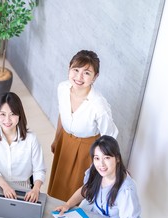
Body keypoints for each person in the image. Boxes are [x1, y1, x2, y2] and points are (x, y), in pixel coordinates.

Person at [48, 50, 118, 201]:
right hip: (65, 140)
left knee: (76, 191)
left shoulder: (98, 105)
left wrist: (102, 163)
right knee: (58, 184)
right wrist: (56, 139)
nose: (79, 77)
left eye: (86, 73)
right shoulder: (62, 88)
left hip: (86, 149)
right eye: (76, 70)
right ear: (69, 68)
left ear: (95, 77)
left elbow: (110, 137)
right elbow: (62, 114)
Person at [54, 135, 141, 218]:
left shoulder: (126, 190)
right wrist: (68, 204)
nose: (101, 164)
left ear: (117, 158)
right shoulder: (96, 171)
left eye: (107, 158)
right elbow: (85, 190)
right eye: (97, 158)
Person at [0, 92, 46, 203]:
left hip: (23, 184)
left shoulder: (31, 139)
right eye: (2, 114)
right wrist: (5, 187)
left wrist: (36, 189)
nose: (7, 120)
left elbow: (39, 169)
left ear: (19, 115)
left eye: (12, 114)